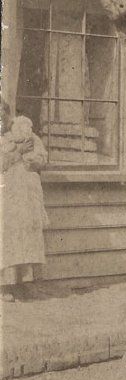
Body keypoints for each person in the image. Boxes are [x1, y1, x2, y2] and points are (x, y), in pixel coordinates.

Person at [1, 105, 49, 302]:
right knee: (6, 238)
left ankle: (24, 283)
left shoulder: (25, 131)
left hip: (26, 196)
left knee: (26, 237)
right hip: (5, 196)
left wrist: (32, 160)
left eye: (2, 114)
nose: (1, 120)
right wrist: (18, 152)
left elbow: (42, 158)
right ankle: (4, 285)